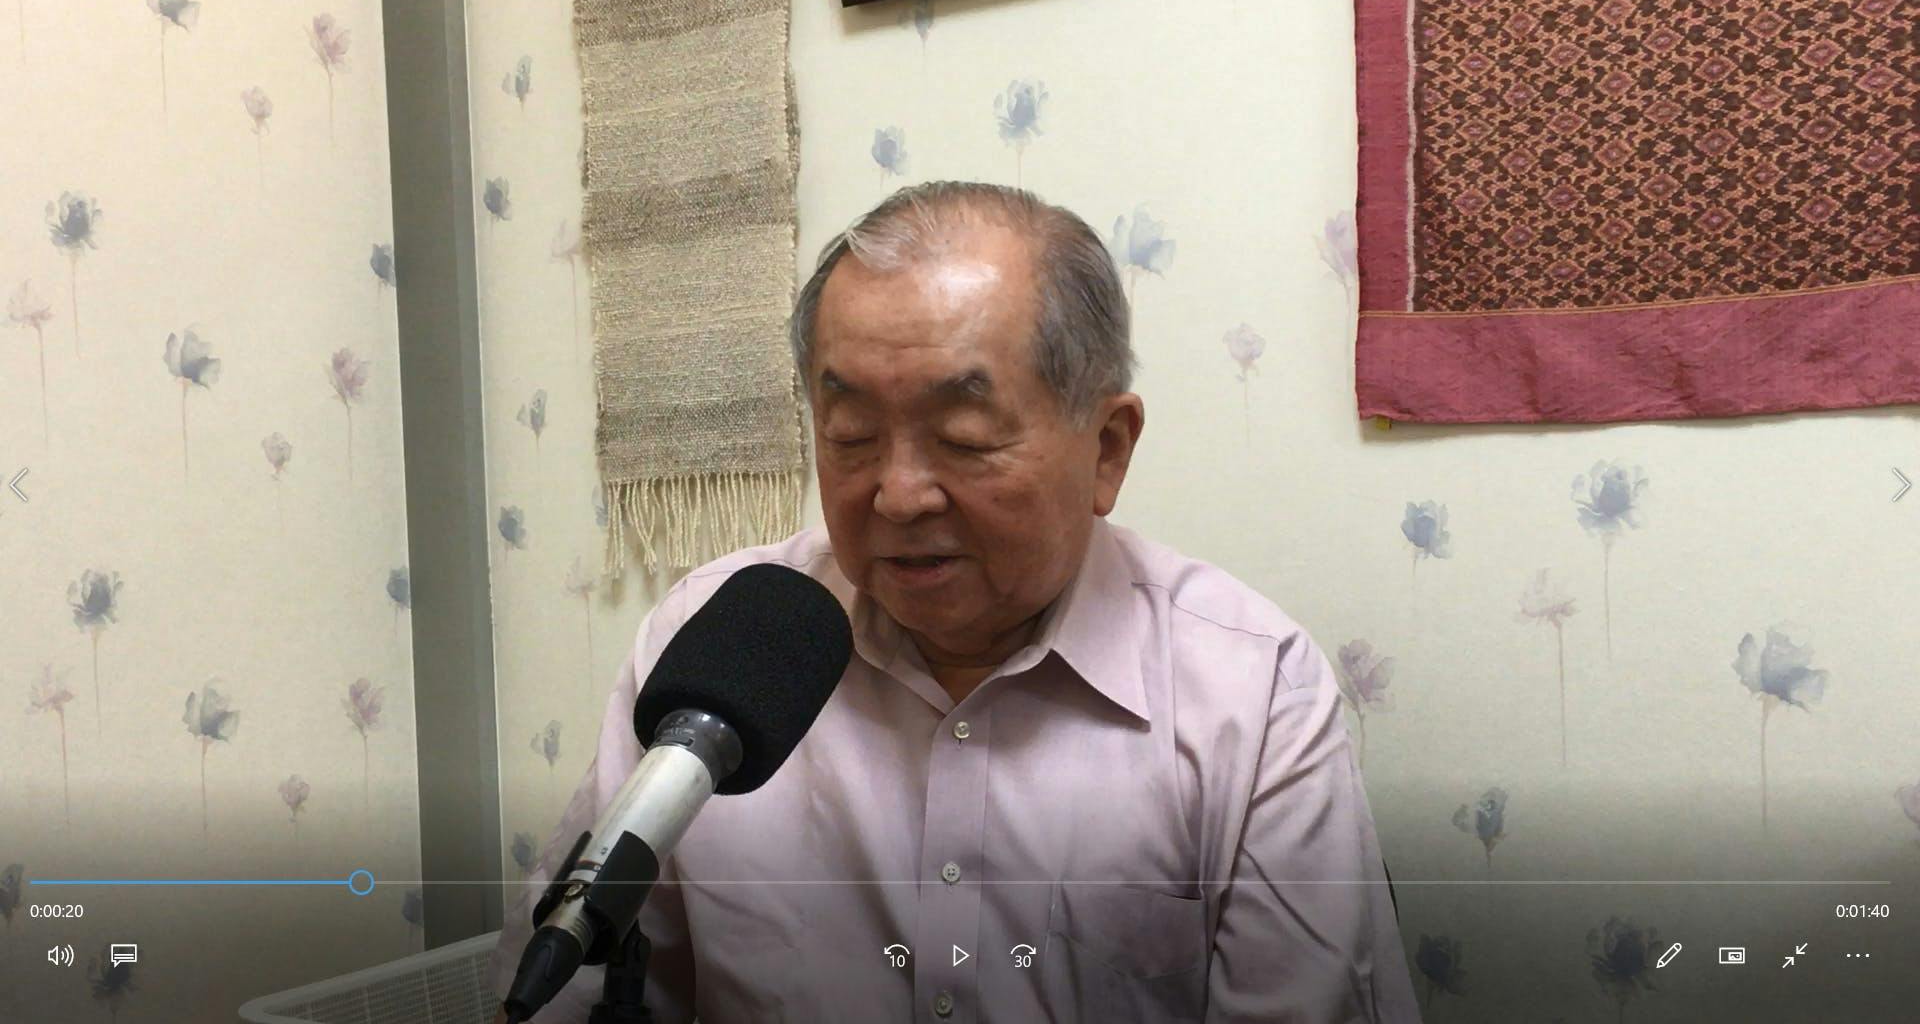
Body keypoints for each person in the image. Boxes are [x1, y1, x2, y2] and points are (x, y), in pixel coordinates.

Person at [492, 181, 1420, 1022]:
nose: (898, 496)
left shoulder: (1253, 692)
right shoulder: (715, 649)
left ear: (1106, 449)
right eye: (850, 435)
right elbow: (563, 981)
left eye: (965, 438)